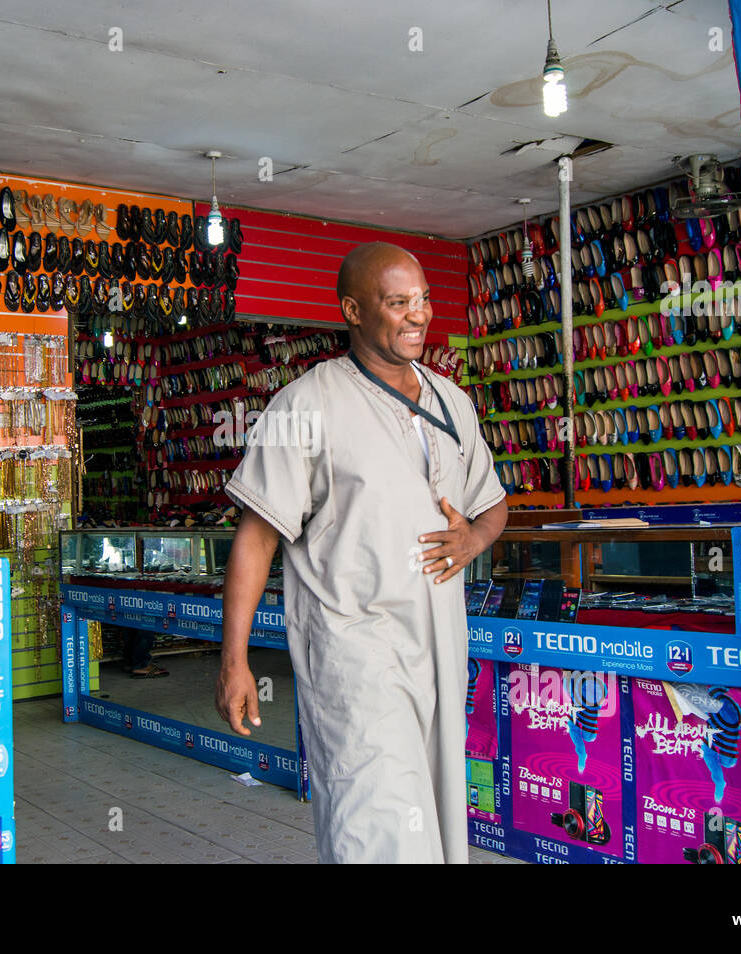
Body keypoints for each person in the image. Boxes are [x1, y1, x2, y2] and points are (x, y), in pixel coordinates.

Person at [215, 242, 508, 863]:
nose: (418, 315)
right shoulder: (304, 405)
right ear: (352, 309)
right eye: (398, 302)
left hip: (439, 649)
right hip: (356, 654)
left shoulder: (453, 402)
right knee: (375, 825)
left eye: (424, 299)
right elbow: (256, 535)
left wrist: (475, 538)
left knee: (436, 818)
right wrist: (234, 660)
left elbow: (492, 503)